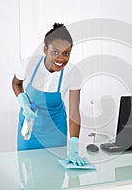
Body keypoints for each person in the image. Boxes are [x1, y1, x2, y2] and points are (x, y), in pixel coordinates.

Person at [12, 23, 85, 166]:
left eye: (66, 53)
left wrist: (74, 144)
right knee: (27, 179)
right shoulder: (27, 65)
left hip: (56, 132)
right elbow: (16, 83)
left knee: (55, 177)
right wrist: (22, 99)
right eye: (55, 52)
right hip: (30, 131)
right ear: (45, 49)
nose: (61, 59)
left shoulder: (72, 73)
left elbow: (74, 112)